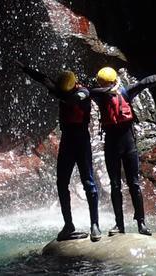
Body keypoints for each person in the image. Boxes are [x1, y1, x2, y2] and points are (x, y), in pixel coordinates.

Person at [91, 58, 156, 236]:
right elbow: (89, 92)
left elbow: (144, 83)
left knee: (134, 184)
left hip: (128, 143)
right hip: (112, 145)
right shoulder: (100, 95)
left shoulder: (125, 92)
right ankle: (119, 224)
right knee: (115, 186)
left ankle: (141, 223)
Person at [20, 64, 101, 242]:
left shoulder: (84, 92)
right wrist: (25, 68)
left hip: (81, 140)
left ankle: (95, 224)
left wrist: (60, 95)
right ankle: (68, 225)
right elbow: (43, 78)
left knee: (88, 181)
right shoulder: (62, 89)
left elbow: (76, 99)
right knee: (61, 182)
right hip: (67, 142)